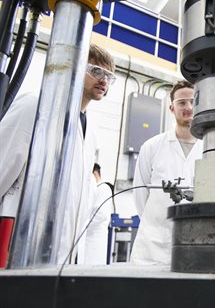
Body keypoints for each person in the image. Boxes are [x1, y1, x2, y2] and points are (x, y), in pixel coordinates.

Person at [0, 43, 116, 265]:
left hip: (66, 246)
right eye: (96, 71)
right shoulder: (36, 104)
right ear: (74, 68)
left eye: (109, 76)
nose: (104, 80)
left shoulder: (90, 129)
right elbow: (3, 163)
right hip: (19, 236)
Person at [131, 80, 203, 266]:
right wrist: (156, 226)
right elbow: (141, 195)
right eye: (181, 103)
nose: (187, 107)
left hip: (197, 243)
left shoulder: (210, 148)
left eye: (192, 101)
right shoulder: (152, 146)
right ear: (172, 108)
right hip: (153, 248)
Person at [84, 163, 114, 265]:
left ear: (95, 174)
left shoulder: (103, 188)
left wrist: (82, 228)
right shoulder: (95, 189)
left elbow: (100, 215)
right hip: (89, 239)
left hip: (94, 240)